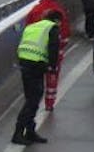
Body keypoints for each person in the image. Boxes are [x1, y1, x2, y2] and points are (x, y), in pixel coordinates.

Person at [14, 8, 64, 144]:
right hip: (36, 64)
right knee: (33, 100)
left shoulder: (33, 26)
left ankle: (29, 131)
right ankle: (18, 133)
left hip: (24, 62)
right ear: (57, 20)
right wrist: (52, 67)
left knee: (31, 99)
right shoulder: (52, 28)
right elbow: (53, 48)